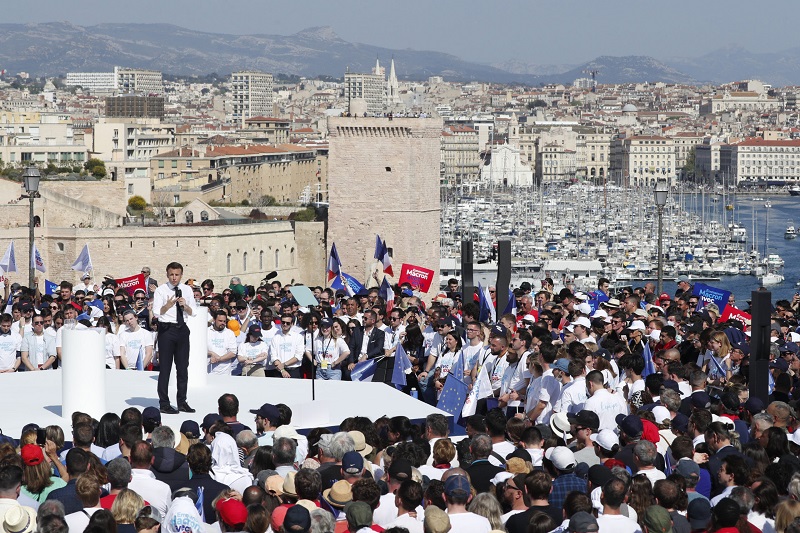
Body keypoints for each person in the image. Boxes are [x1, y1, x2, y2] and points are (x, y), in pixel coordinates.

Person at [153, 262, 196, 414]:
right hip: (167, 330)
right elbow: (157, 312)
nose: (174, 278)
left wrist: (185, 306)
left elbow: (193, 312)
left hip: (182, 329)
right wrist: (168, 305)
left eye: (177, 275)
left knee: (183, 368)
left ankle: (182, 402)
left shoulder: (187, 289)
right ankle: (164, 403)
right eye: (171, 274)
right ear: (167, 274)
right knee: (165, 368)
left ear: (181, 275)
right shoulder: (161, 290)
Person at [207, 310, 238, 376]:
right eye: (220, 321)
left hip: (224, 373)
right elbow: (199, 349)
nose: (223, 323)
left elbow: (233, 353)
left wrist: (219, 359)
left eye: (224, 321)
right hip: (208, 372)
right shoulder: (206, 331)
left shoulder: (230, 333)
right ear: (214, 320)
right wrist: (211, 353)